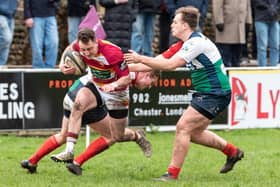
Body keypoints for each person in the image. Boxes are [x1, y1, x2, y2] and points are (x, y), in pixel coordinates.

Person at [124, 6, 244, 181]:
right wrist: (118, 69)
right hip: (207, 92)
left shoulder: (195, 43)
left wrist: (140, 58)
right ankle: (233, 152)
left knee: (183, 127)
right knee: (194, 133)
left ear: (185, 26)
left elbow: (170, 65)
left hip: (215, 93)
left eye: (175, 22)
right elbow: (156, 63)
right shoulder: (182, 44)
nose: (172, 25)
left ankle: (171, 174)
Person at [47, 28, 156, 169]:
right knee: (78, 105)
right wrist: (62, 64)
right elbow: (69, 48)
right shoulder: (79, 46)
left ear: (96, 42)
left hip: (117, 92)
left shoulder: (112, 53)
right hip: (97, 86)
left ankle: (137, 137)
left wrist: (114, 85)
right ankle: (69, 151)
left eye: (89, 49)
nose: (85, 53)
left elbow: (126, 77)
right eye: (83, 49)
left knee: (117, 136)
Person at [20, 70, 158, 174]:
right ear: (147, 74)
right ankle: (136, 136)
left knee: (63, 136)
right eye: (151, 83)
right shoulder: (127, 73)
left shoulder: (121, 69)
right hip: (86, 99)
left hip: (72, 93)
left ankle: (32, 161)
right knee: (113, 135)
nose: (149, 87)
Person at [213, 0, 252, 67]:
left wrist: (248, 21)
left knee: (236, 62)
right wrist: (219, 21)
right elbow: (217, 5)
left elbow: (248, 6)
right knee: (225, 62)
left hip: (239, 30)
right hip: (225, 29)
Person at [23, 0, 59, 68]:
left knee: (54, 42)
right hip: (35, 16)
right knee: (37, 45)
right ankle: (37, 68)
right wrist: (27, 16)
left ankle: (50, 68)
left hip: (51, 14)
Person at [252, 0, 280, 67]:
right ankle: (262, 68)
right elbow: (257, 2)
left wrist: (275, 9)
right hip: (261, 19)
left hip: (274, 19)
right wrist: (271, 8)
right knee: (262, 47)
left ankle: (274, 67)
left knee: (276, 45)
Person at [0, 0, 19, 69]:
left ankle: (1, 65)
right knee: (6, 38)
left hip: (11, 16)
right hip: (1, 15)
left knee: (8, 42)